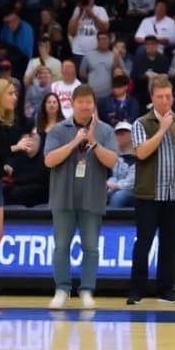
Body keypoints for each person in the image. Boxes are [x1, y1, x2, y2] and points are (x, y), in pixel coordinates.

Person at [42, 84, 120, 310]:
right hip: (62, 197)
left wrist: (94, 142)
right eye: (80, 102)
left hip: (92, 197)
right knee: (61, 247)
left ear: (94, 103)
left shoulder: (105, 130)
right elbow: (49, 160)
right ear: (72, 104)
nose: (85, 106)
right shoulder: (58, 129)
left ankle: (86, 290)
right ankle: (62, 290)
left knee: (91, 247)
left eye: (89, 102)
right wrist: (76, 142)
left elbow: (112, 161)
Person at [128, 75, 175, 305]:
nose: (165, 101)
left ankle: (166, 289)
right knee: (144, 242)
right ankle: (136, 289)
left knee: (170, 245)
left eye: (168, 96)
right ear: (152, 98)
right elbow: (141, 153)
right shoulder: (141, 123)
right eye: (160, 97)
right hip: (148, 195)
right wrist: (162, 130)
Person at [0, 79, 36, 307]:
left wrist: (3, 164)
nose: (15, 97)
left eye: (15, 93)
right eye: (10, 93)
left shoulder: (2, 121)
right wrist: (13, 148)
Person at [106, 121, 137, 208]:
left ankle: (112, 221)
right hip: (118, 187)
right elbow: (114, 176)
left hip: (135, 190)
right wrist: (108, 184)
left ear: (131, 136)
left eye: (122, 134)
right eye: (117, 134)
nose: (118, 137)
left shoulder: (138, 154)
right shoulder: (116, 156)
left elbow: (132, 182)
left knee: (118, 197)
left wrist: (114, 185)